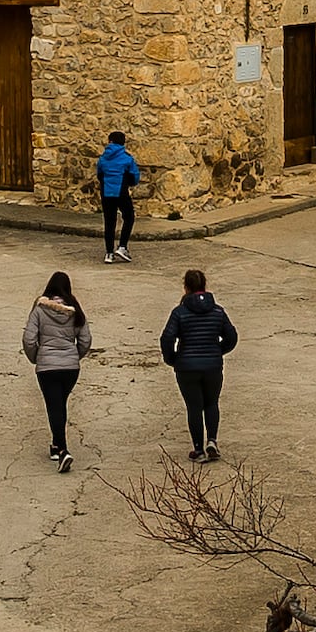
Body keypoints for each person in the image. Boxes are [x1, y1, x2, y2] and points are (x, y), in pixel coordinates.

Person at [156, 268, 239, 463]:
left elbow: (167, 337)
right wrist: (218, 351)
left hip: (187, 367)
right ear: (204, 286)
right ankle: (212, 440)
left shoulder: (179, 312)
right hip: (212, 366)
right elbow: (232, 336)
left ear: (185, 287)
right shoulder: (218, 311)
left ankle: (198, 449)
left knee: (194, 407)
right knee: (211, 403)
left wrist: (173, 358)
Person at [22, 270, 92, 471]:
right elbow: (86, 339)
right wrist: (73, 356)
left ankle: (63, 451)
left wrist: (37, 357)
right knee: (59, 404)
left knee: (54, 406)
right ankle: (55, 445)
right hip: (70, 368)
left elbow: (28, 339)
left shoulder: (39, 309)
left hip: (47, 367)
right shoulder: (75, 310)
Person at [92, 127, 145, 262]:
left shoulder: (103, 158)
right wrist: (129, 184)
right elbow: (135, 176)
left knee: (109, 222)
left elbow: (99, 174)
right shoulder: (127, 158)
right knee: (129, 217)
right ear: (123, 143)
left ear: (110, 141)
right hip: (121, 192)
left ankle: (109, 253)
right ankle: (122, 246)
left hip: (106, 194)